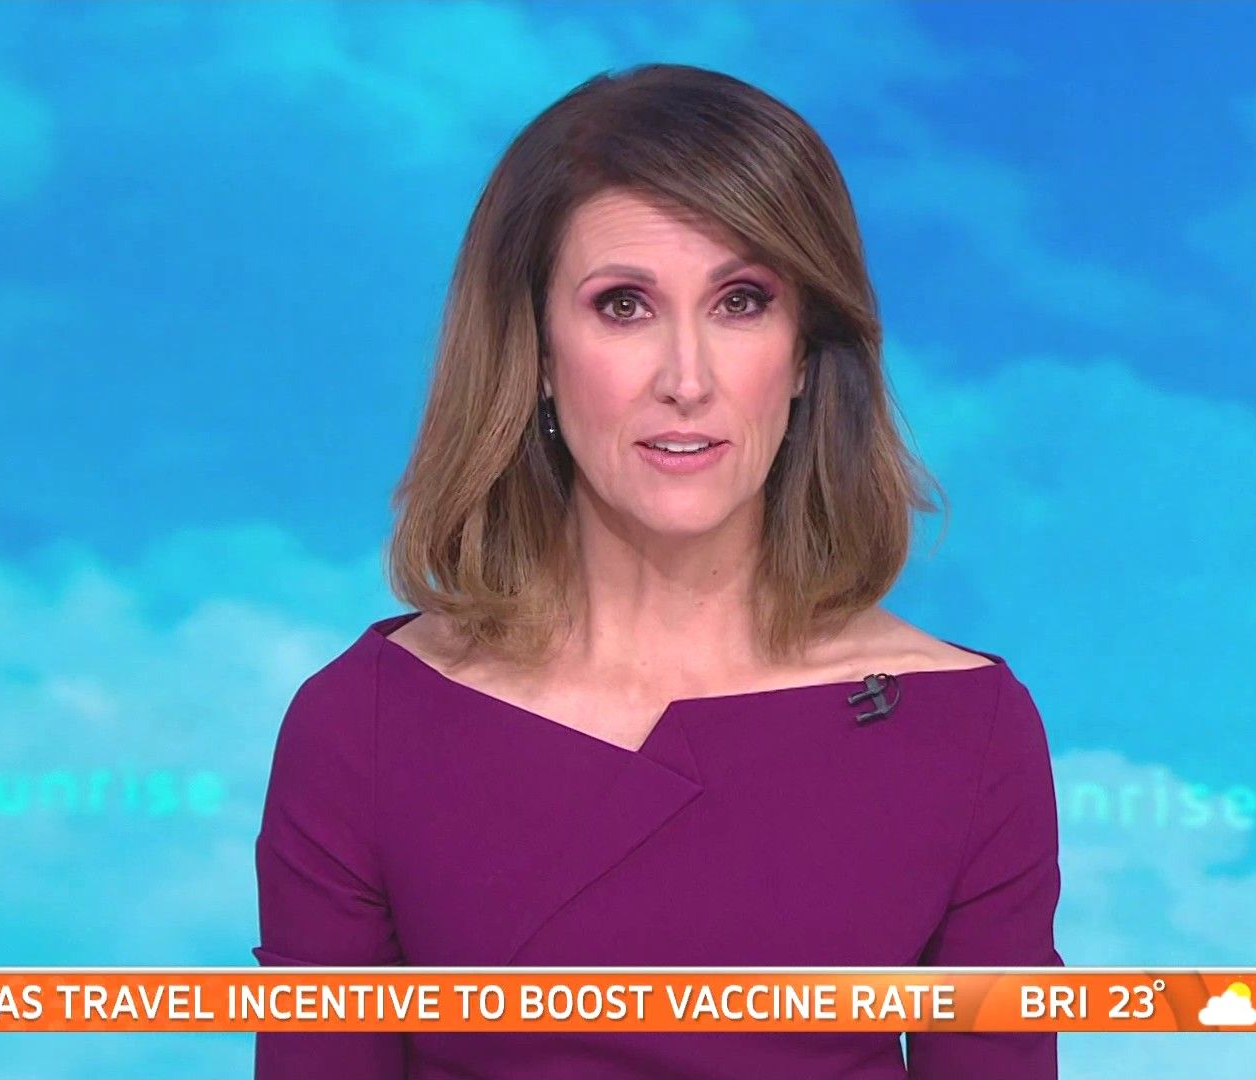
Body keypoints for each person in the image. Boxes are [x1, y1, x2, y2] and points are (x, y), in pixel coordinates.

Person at [253, 62, 1063, 1079]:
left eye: (741, 301)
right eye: (625, 305)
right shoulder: (366, 729)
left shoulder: (967, 734)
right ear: (536, 352)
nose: (687, 379)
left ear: (804, 353)